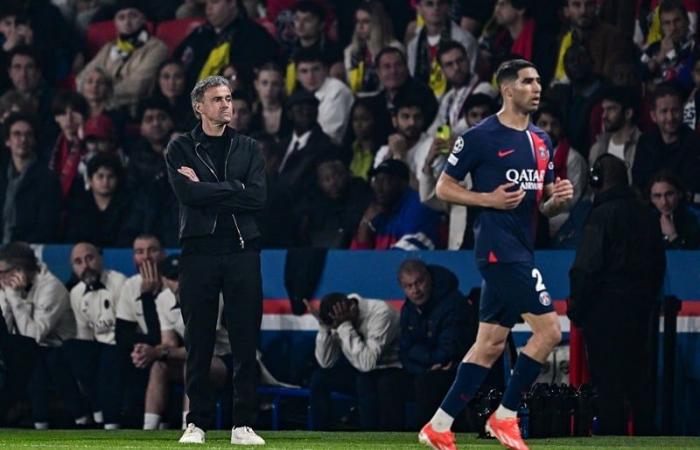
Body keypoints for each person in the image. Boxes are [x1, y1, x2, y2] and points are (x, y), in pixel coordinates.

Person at [418, 59, 574, 450]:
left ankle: (438, 424)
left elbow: (543, 207)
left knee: (489, 344)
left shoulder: (542, 140)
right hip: (497, 250)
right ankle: (505, 416)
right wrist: (486, 198)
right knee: (550, 331)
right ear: (507, 89)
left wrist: (559, 201)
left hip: (522, 248)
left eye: (538, 81)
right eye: (527, 81)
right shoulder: (480, 137)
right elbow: (443, 188)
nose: (536, 87)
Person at [165, 75, 266, 445]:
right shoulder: (180, 148)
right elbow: (186, 194)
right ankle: (197, 423)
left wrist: (208, 190)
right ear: (199, 107)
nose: (227, 104)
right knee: (199, 340)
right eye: (218, 99)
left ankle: (243, 424)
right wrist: (232, 189)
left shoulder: (249, 147)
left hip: (242, 249)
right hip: (198, 252)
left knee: (244, 339)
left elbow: (257, 198)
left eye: (228, 98)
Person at [568, 154, 666, 435]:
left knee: (609, 392)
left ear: (595, 179)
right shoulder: (647, 216)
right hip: (640, 316)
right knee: (639, 389)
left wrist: (578, 309)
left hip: (605, 318)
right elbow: (659, 266)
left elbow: (586, 269)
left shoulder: (600, 216)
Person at [0, 242, 88, 429]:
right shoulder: (8, 287)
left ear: (17, 271)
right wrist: (8, 300)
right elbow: (6, 332)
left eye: (2, 272)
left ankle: (74, 421)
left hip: (61, 349)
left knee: (34, 359)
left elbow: (33, 337)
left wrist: (14, 298)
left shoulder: (50, 287)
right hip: (33, 350)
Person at [143, 254, 232, 431]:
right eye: (172, 278)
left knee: (192, 365)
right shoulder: (162, 300)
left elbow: (203, 348)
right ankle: (148, 430)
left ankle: (189, 428)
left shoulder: (211, 296)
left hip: (229, 361)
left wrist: (160, 352)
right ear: (164, 280)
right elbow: (168, 342)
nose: (178, 283)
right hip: (199, 360)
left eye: (181, 276)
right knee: (158, 367)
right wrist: (150, 351)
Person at [306, 292, 404, 431]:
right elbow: (326, 363)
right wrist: (324, 327)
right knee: (319, 378)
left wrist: (344, 325)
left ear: (352, 308)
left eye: (336, 324)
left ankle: (368, 441)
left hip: (389, 369)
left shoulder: (381, 313)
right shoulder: (337, 314)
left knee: (365, 381)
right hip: (359, 368)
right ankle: (320, 438)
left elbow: (367, 364)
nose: (336, 327)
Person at [397, 260, 472, 427]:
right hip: (424, 369)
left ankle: (429, 436)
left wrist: (422, 361)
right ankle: (386, 439)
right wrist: (424, 367)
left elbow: (448, 350)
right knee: (386, 382)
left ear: (429, 279)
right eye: (409, 286)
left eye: (419, 282)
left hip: (454, 369)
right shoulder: (408, 309)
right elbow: (403, 350)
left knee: (427, 383)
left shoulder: (452, 303)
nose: (415, 290)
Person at [66, 242, 126, 429]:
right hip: (97, 346)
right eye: (78, 262)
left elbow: (126, 328)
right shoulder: (75, 293)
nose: (85, 265)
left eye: (89, 258)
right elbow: (84, 333)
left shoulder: (119, 282)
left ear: (100, 258)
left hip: (121, 342)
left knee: (108, 357)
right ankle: (85, 418)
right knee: (67, 353)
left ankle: (110, 423)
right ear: (74, 268)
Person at [115, 234, 166, 427]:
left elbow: (166, 337)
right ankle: (112, 425)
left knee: (154, 360)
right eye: (139, 252)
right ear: (133, 258)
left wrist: (147, 296)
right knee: (118, 355)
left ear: (163, 254)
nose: (146, 257)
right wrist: (143, 348)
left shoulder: (176, 282)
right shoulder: (131, 285)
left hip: (177, 350)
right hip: (150, 349)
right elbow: (121, 335)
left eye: (152, 250)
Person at [77, 1, 168, 110]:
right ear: (115, 23)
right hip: (99, 105)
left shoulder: (157, 47)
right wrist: (91, 91)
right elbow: (82, 77)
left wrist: (98, 92)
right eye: (121, 17)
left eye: (133, 16)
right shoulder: (110, 47)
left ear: (143, 19)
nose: (127, 22)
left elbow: (137, 87)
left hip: (131, 108)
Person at [173, 0, 279, 88]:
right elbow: (178, 60)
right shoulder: (200, 33)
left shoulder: (254, 35)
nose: (208, 8)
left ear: (232, 3)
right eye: (207, 3)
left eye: (214, 2)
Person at [351, 159, 441, 250]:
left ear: (403, 183)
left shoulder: (418, 206)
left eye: (385, 180)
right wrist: (365, 225)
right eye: (376, 180)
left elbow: (410, 254)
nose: (379, 187)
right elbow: (355, 258)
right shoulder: (378, 209)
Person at [0, 113, 62, 244]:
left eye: (28, 135)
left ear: (34, 140)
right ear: (7, 141)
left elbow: (47, 227)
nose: (23, 140)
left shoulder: (48, 179)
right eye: (17, 134)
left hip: (27, 252)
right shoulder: (2, 176)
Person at [632, 82, 700, 201]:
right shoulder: (645, 142)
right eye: (664, 111)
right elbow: (639, 181)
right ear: (653, 115)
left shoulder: (694, 142)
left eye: (675, 110)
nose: (670, 117)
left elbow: (692, 185)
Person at [298, 154, 373, 248]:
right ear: (320, 184)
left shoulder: (359, 190)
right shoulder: (316, 202)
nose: (332, 182)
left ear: (346, 175)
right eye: (326, 179)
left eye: (336, 176)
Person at [406, 0, 478, 99]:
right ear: (419, 8)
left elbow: (469, 79)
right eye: (429, 4)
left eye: (441, 3)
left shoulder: (464, 40)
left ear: (448, 7)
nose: (436, 8)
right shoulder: (413, 45)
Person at [277, 88, 336, 199]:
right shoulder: (282, 144)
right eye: (300, 108)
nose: (306, 112)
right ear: (290, 113)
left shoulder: (325, 146)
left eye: (310, 108)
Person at [428, 40, 495, 137]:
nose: (456, 67)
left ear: (468, 60)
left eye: (460, 61)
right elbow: (435, 128)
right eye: (449, 64)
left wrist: (442, 137)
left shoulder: (484, 88)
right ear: (442, 70)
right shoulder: (448, 97)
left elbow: (464, 127)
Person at [63, 155, 132, 247]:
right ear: (90, 180)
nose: (105, 182)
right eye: (100, 176)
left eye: (110, 176)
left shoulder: (128, 204)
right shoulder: (79, 204)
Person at [294, 48, 354, 145]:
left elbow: (327, 135)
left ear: (326, 70)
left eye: (316, 69)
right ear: (297, 75)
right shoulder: (301, 95)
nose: (310, 76)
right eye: (304, 71)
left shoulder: (337, 91)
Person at [344, 1, 403, 95]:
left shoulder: (394, 48)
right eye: (357, 22)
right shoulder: (350, 51)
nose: (360, 26)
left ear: (378, 23)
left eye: (366, 22)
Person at [588, 87, 641, 182]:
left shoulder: (643, 145)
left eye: (611, 109)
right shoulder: (597, 148)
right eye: (604, 110)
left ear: (628, 113)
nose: (604, 115)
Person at [649, 170, 700, 249]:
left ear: (679, 194)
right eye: (657, 196)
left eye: (669, 194)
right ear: (651, 199)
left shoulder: (695, 217)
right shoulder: (647, 219)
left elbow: (691, 258)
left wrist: (672, 236)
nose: (664, 202)